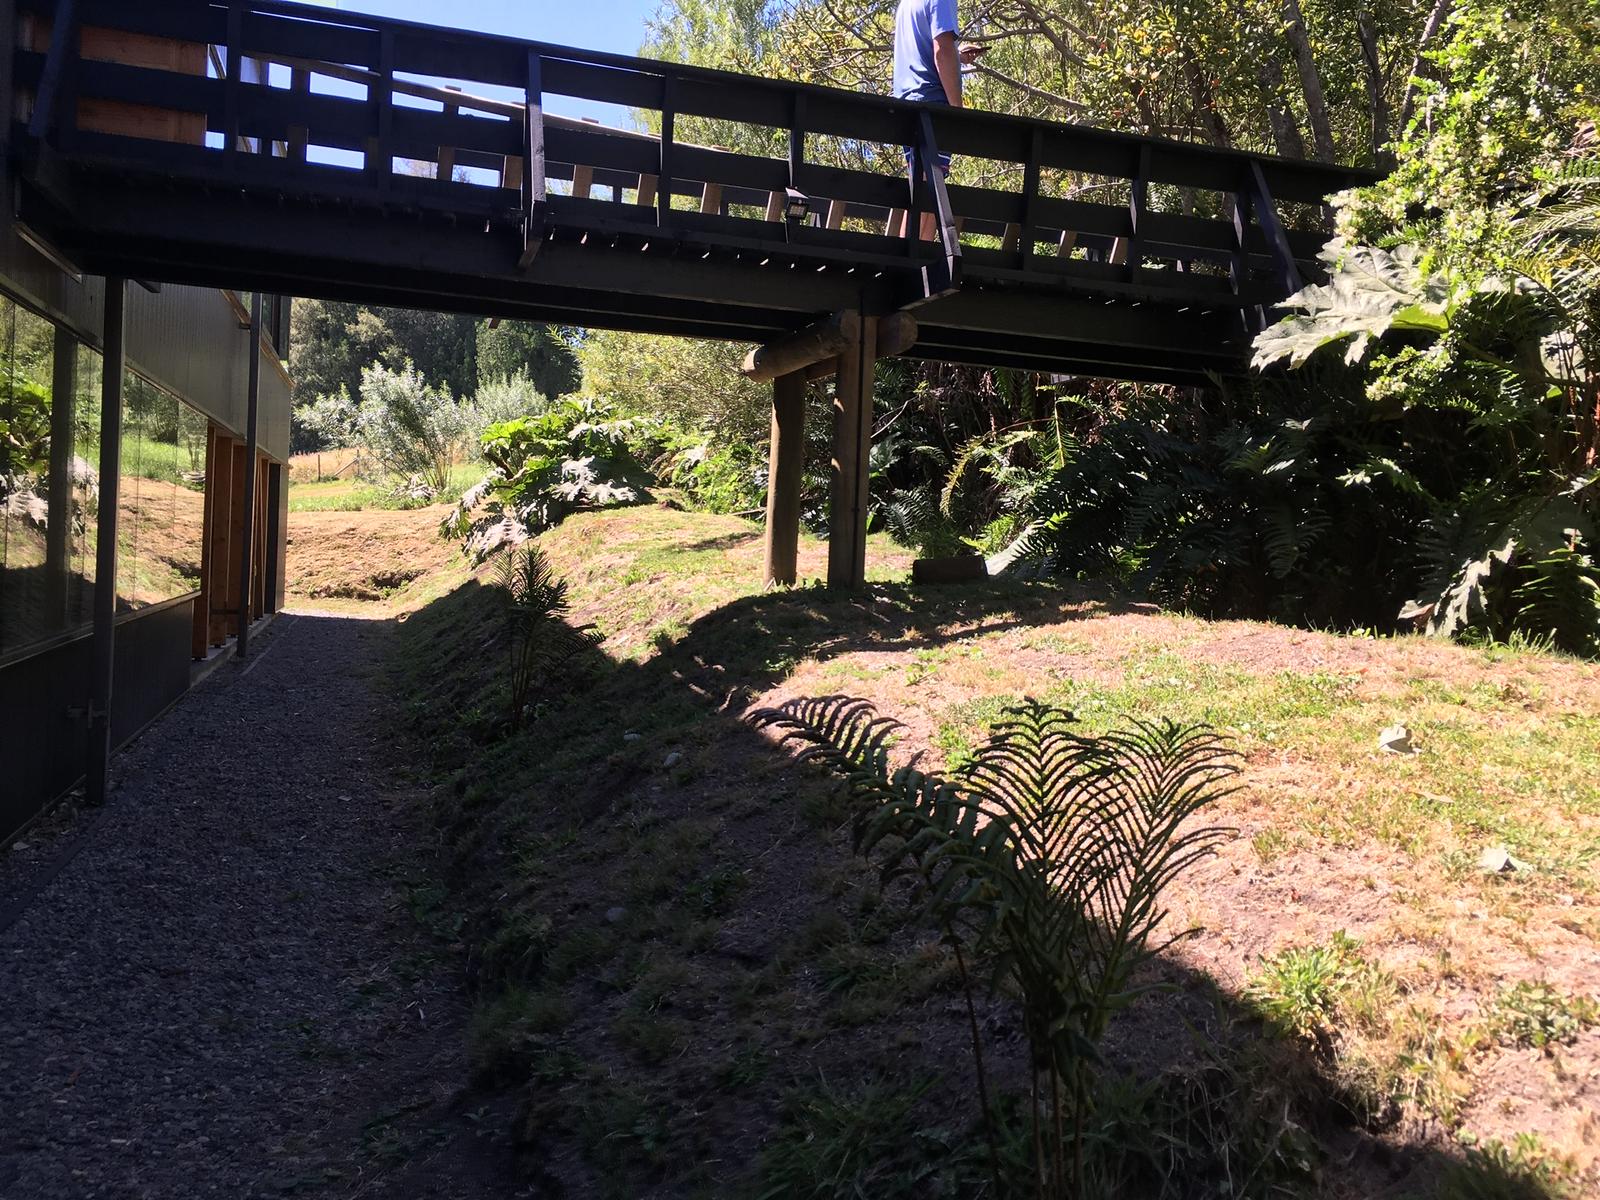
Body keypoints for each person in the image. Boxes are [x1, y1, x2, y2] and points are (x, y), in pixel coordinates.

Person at [892, 0, 984, 238]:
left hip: (906, 101)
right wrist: (957, 110)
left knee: (925, 184)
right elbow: (941, 50)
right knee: (928, 189)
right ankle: (908, 262)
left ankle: (912, 257)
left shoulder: (907, 4)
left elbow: (927, 49)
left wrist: (957, 54)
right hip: (931, 104)